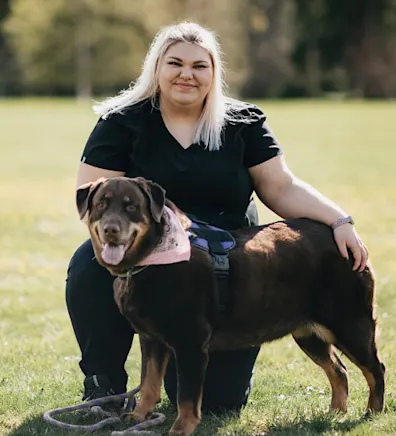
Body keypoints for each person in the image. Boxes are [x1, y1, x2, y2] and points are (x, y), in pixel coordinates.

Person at [66, 21, 368, 414]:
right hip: (148, 255)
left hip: (227, 265)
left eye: (199, 65)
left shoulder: (243, 122)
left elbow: (281, 186)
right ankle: (103, 387)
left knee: (217, 405)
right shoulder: (122, 122)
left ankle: (216, 371)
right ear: (156, 68)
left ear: (213, 73)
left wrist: (339, 221)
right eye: (175, 63)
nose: (186, 74)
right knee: (90, 263)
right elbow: (92, 198)